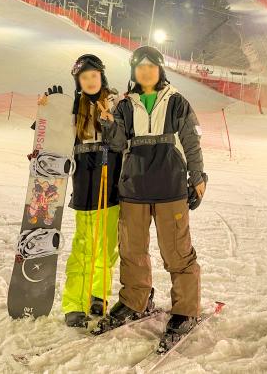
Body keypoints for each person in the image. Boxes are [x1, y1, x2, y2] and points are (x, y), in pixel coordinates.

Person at [96, 46, 207, 339]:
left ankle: (186, 309)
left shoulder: (176, 102)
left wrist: (197, 176)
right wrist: (108, 122)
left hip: (171, 187)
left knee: (177, 250)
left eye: (151, 66)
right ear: (134, 72)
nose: (145, 72)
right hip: (134, 188)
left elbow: (191, 142)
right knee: (132, 249)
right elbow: (117, 144)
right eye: (140, 67)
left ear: (160, 70)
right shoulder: (124, 105)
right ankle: (135, 300)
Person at [36, 54, 122, 328]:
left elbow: (125, 138)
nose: (90, 81)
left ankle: (98, 295)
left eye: (94, 75)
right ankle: (75, 303)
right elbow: (49, 132)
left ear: (101, 76)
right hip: (85, 183)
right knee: (84, 247)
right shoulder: (74, 106)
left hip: (111, 184)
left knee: (106, 248)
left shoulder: (116, 104)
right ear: (79, 81)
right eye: (84, 77)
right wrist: (48, 108)